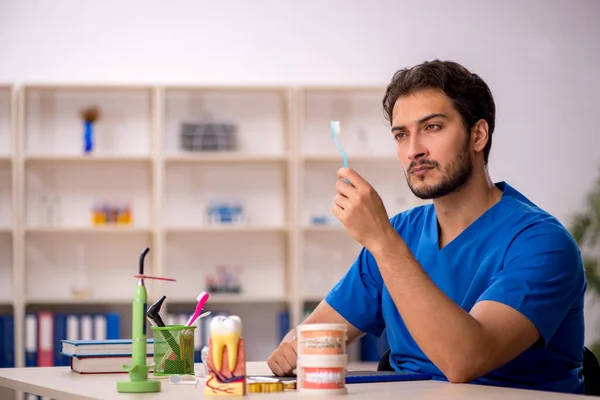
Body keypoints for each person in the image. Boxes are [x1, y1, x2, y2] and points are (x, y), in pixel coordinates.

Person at [267, 59, 587, 394]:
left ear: (478, 134)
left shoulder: (542, 243)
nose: (413, 150)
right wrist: (293, 347)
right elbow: (315, 335)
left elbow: (465, 360)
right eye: (401, 135)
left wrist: (381, 240)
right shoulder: (399, 232)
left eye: (432, 127)